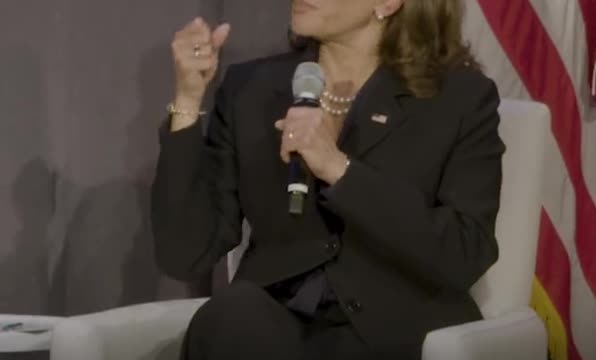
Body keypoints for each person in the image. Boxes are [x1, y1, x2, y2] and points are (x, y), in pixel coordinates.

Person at [151, 0, 505, 358]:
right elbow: (185, 255)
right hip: (267, 328)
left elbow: (465, 252)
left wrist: (339, 169)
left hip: (391, 333)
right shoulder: (251, 88)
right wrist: (188, 99)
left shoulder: (459, 99)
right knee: (234, 314)